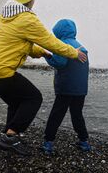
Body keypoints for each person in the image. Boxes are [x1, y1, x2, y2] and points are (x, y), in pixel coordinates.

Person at [0, 0, 87, 156]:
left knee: (16, 101)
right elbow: (51, 42)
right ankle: (10, 137)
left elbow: (22, 42)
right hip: (0, 71)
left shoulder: (7, 16)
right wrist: (73, 53)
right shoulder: (27, 19)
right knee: (34, 98)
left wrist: (40, 53)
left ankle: (9, 135)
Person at [42, 19, 91, 154]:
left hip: (66, 88)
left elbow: (59, 63)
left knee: (56, 114)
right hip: (80, 89)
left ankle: (48, 143)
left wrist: (46, 55)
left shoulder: (62, 44)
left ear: (59, 31)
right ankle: (84, 142)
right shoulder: (81, 46)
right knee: (77, 114)